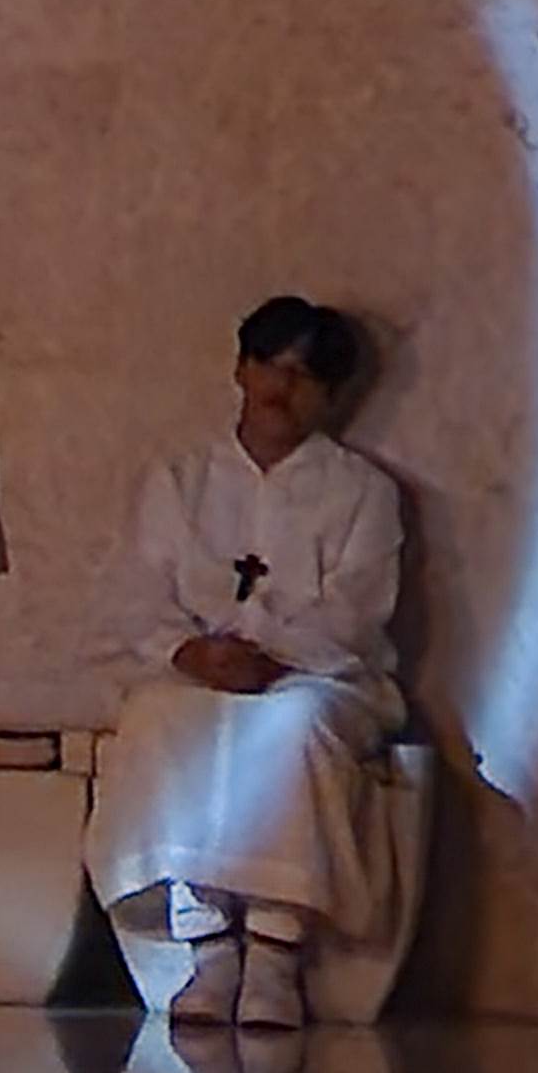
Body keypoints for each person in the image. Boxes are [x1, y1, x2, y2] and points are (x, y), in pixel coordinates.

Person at [82, 296, 405, 1032]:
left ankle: (273, 950)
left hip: (313, 675)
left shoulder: (363, 492)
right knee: (159, 715)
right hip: (197, 671)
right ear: (241, 368)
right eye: (270, 365)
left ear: (332, 394)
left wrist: (268, 654)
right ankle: (208, 945)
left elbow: (357, 608)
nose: (281, 388)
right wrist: (193, 651)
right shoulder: (180, 480)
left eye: (304, 375)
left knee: (295, 727)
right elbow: (139, 591)